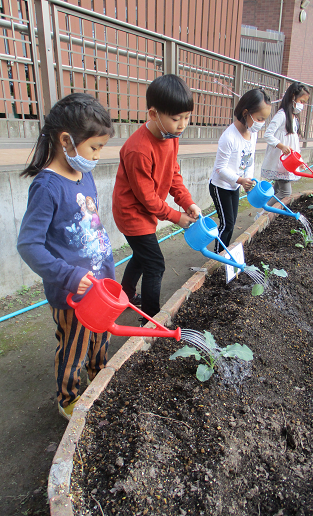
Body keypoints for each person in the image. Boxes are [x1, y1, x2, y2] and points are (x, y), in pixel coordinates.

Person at [17, 93, 115, 420]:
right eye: (94, 148)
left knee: (101, 336)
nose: (98, 156)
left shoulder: (83, 174)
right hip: (71, 294)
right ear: (66, 140)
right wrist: (71, 276)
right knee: (73, 345)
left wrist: (108, 274)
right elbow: (29, 245)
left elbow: (94, 228)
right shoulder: (47, 187)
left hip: (99, 286)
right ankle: (68, 398)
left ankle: (99, 375)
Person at [112, 74, 201, 324]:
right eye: (176, 118)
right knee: (155, 265)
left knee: (142, 257)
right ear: (153, 114)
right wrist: (176, 217)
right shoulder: (137, 149)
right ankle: (150, 321)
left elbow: (173, 173)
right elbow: (148, 199)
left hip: (146, 210)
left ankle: (126, 295)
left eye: (186, 117)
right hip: (132, 213)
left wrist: (187, 202)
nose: (182, 124)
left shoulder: (171, 136)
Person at [209, 88, 271, 252]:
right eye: (259, 118)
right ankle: (218, 255)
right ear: (246, 113)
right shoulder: (229, 137)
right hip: (220, 186)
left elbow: (250, 159)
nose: (261, 123)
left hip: (235, 185)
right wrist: (240, 180)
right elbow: (220, 169)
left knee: (232, 222)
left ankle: (225, 251)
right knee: (227, 223)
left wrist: (248, 179)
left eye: (264, 119)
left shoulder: (252, 134)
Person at [260, 82, 310, 208]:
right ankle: (264, 212)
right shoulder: (282, 115)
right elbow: (268, 134)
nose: (302, 105)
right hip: (281, 162)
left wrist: (300, 161)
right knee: (285, 192)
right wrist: (281, 146)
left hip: (288, 163)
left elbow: (294, 144)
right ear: (293, 97)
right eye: (301, 101)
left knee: (277, 190)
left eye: (304, 103)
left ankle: (265, 212)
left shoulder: (294, 118)